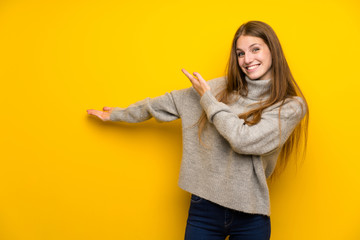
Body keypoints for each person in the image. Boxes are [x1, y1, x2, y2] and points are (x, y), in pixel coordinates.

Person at [87, 20, 309, 240]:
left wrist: (209, 102)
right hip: (204, 209)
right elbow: (170, 102)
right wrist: (120, 114)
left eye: (255, 49)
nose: (247, 59)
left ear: (273, 50)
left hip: (250, 214)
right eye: (240, 53)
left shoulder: (290, 105)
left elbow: (244, 140)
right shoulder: (220, 88)